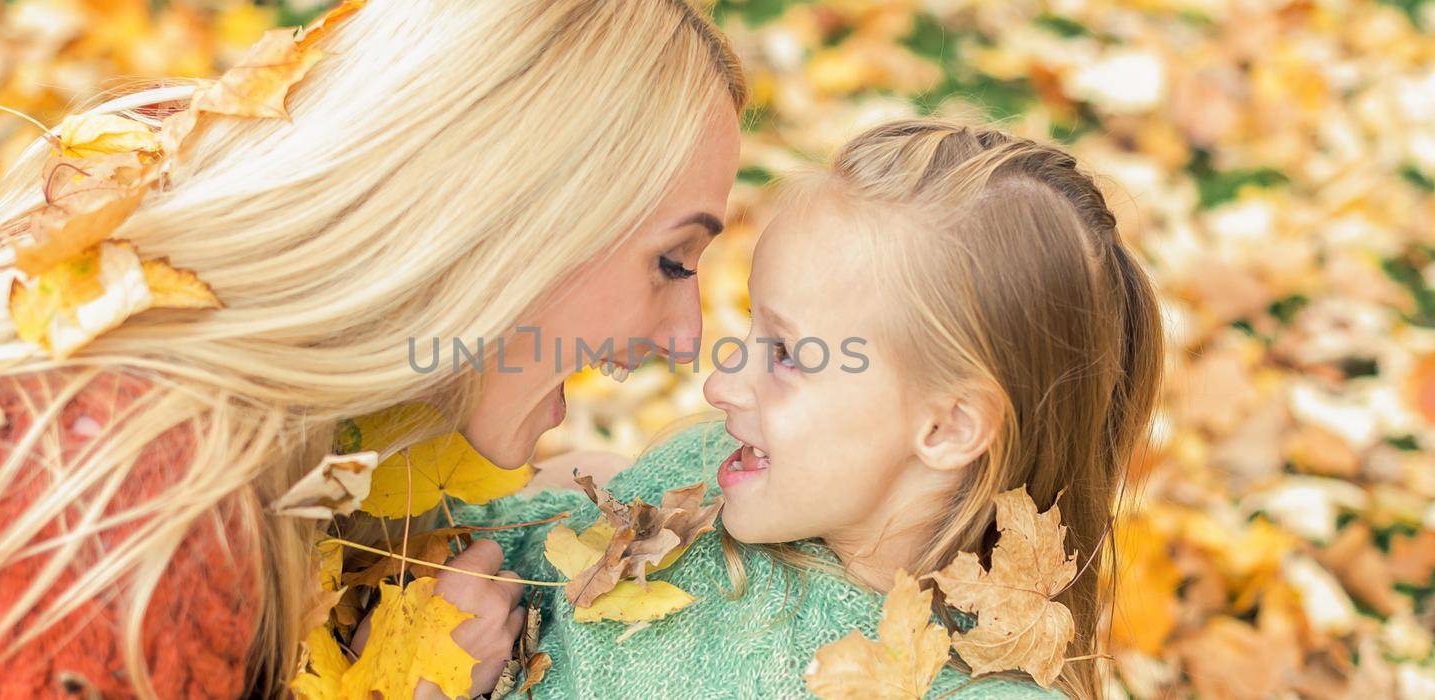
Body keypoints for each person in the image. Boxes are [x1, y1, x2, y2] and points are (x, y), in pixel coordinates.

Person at [0, 1, 745, 697]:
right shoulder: (144, 510)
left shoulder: (227, 353)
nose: (686, 338)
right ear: (503, 221)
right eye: (671, 259)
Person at [459, 119, 1165, 699]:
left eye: (788, 355)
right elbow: (488, 553)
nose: (721, 388)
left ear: (947, 427)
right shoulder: (701, 485)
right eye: (750, 332)